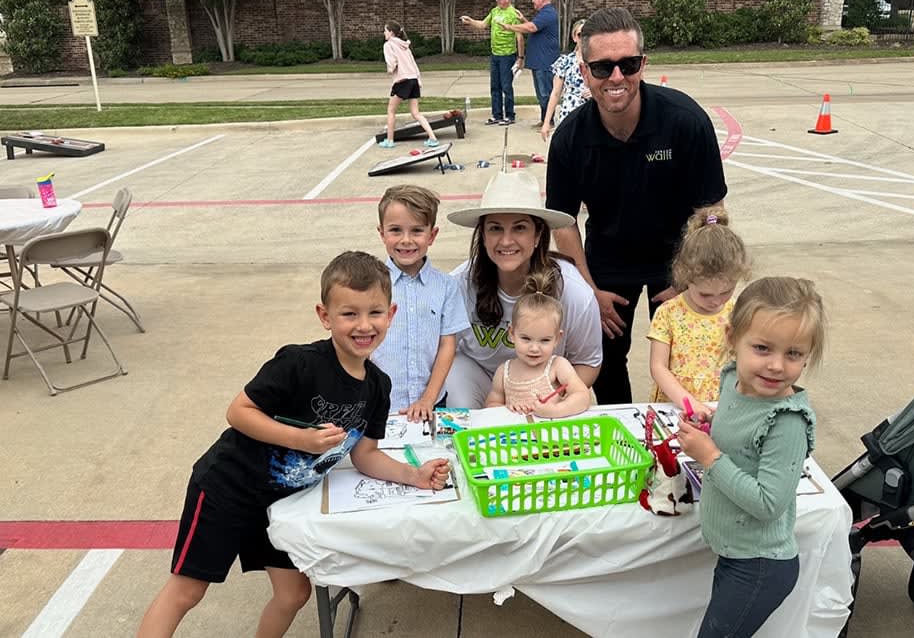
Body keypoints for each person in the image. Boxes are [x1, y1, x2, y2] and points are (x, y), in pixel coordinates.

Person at [136, 251, 450, 638]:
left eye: (375, 312)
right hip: (227, 485)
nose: (364, 325)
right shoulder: (299, 363)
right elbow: (239, 411)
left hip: (281, 503)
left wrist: (413, 475)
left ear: (392, 314)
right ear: (325, 315)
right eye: (349, 313)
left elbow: (365, 455)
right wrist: (301, 439)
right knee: (188, 590)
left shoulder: (377, 387)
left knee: (293, 593)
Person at [545, 7, 727, 405]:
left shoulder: (685, 121)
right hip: (608, 262)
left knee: (692, 362)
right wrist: (589, 288)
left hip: (679, 261)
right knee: (606, 365)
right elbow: (562, 221)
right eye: (602, 67)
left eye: (628, 64)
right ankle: (626, 440)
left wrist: (695, 278)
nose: (616, 78)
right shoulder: (570, 138)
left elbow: (713, 211)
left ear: (643, 64)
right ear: (583, 68)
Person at [677, 276, 826, 638]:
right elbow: (738, 422)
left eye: (793, 354)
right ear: (732, 339)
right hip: (735, 553)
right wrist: (712, 422)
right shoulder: (733, 380)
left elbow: (768, 502)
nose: (776, 366)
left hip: (760, 565)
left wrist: (710, 456)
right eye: (762, 348)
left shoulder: (786, 421)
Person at [445, 170, 602, 409]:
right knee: (455, 376)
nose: (506, 241)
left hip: (544, 385)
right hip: (480, 378)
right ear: (482, 235)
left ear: (538, 234)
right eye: (495, 228)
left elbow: (588, 362)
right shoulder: (457, 284)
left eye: (519, 228)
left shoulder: (574, 292)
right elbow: (439, 351)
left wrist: (552, 400)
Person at [371, 184, 470, 420]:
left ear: (432, 235)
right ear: (381, 232)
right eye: (395, 230)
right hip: (378, 402)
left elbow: (447, 346)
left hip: (431, 402)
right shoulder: (369, 284)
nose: (406, 240)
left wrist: (428, 397)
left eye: (416, 231)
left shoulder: (447, 286)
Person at [647, 206, 750, 421]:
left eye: (726, 291)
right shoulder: (669, 312)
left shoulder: (737, 311)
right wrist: (689, 402)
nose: (716, 301)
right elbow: (658, 367)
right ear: (685, 277)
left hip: (721, 405)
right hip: (675, 406)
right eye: (705, 294)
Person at [485, 268, 591, 416]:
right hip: (515, 437)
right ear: (512, 334)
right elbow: (491, 404)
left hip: (552, 436)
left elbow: (583, 397)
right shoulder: (504, 371)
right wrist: (507, 408)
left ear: (557, 339)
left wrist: (555, 410)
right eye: (526, 338)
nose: (534, 348)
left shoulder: (557, 366)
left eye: (545, 340)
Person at [496, 0, 560, 126]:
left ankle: (549, 122)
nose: (532, 1)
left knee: (545, 94)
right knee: (541, 94)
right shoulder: (544, 13)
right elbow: (535, 29)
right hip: (539, 61)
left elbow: (531, 27)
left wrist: (509, 27)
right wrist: (524, 19)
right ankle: (544, 120)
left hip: (545, 61)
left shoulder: (548, 13)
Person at [460, 0, 524, 126]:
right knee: (495, 86)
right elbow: (483, 24)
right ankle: (497, 115)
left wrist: (520, 57)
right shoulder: (494, 11)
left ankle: (510, 115)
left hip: (508, 55)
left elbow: (519, 36)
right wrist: (470, 21)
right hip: (495, 55)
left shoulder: (514, 14)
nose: (497, 0)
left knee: (506, 86)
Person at [380, 21, 440, 149]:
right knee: (416, 113)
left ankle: (389, 141)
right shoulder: (405, 46)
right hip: (413, 80)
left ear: (391, 32)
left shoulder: (388, 45)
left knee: (391, 111)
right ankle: (432, 138)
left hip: (402, 81)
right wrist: (418, 81)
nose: (383, 33)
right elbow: (413, 64)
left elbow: (392, 63)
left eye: (385, 30)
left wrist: (389, 70)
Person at [540, 18, 589, 141]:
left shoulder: (599, 61)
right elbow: (555, 93)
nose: (584, 38)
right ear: (574, 37)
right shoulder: (565, 61)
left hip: (592, 112)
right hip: (570, 112)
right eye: (580, 34)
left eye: (588, 34)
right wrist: (546, 123)